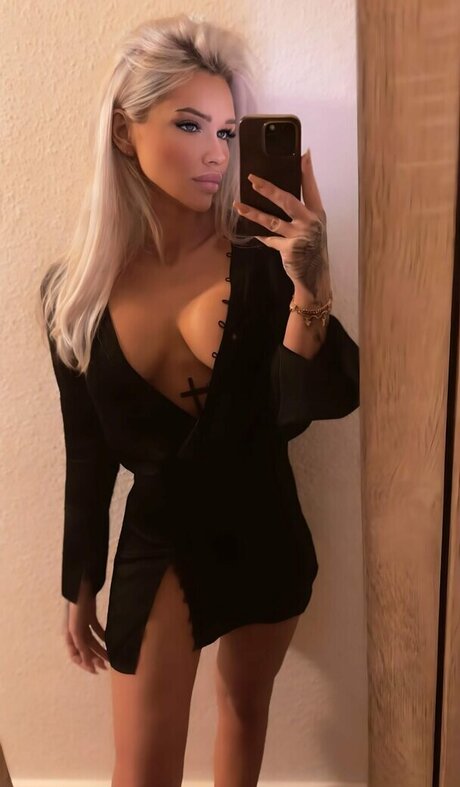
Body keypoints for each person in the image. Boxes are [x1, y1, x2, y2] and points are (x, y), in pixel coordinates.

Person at [38, 13, 359, 787]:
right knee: (142, 770)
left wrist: (310, 285)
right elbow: (87, 448)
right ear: (125, 132)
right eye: (189, 125)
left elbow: (304, 409)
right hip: (160, 537)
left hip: (264, 524)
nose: (217, 153)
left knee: (245, 715)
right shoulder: (74, 293)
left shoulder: (263, 259)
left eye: (227, 132)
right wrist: (81, 579)